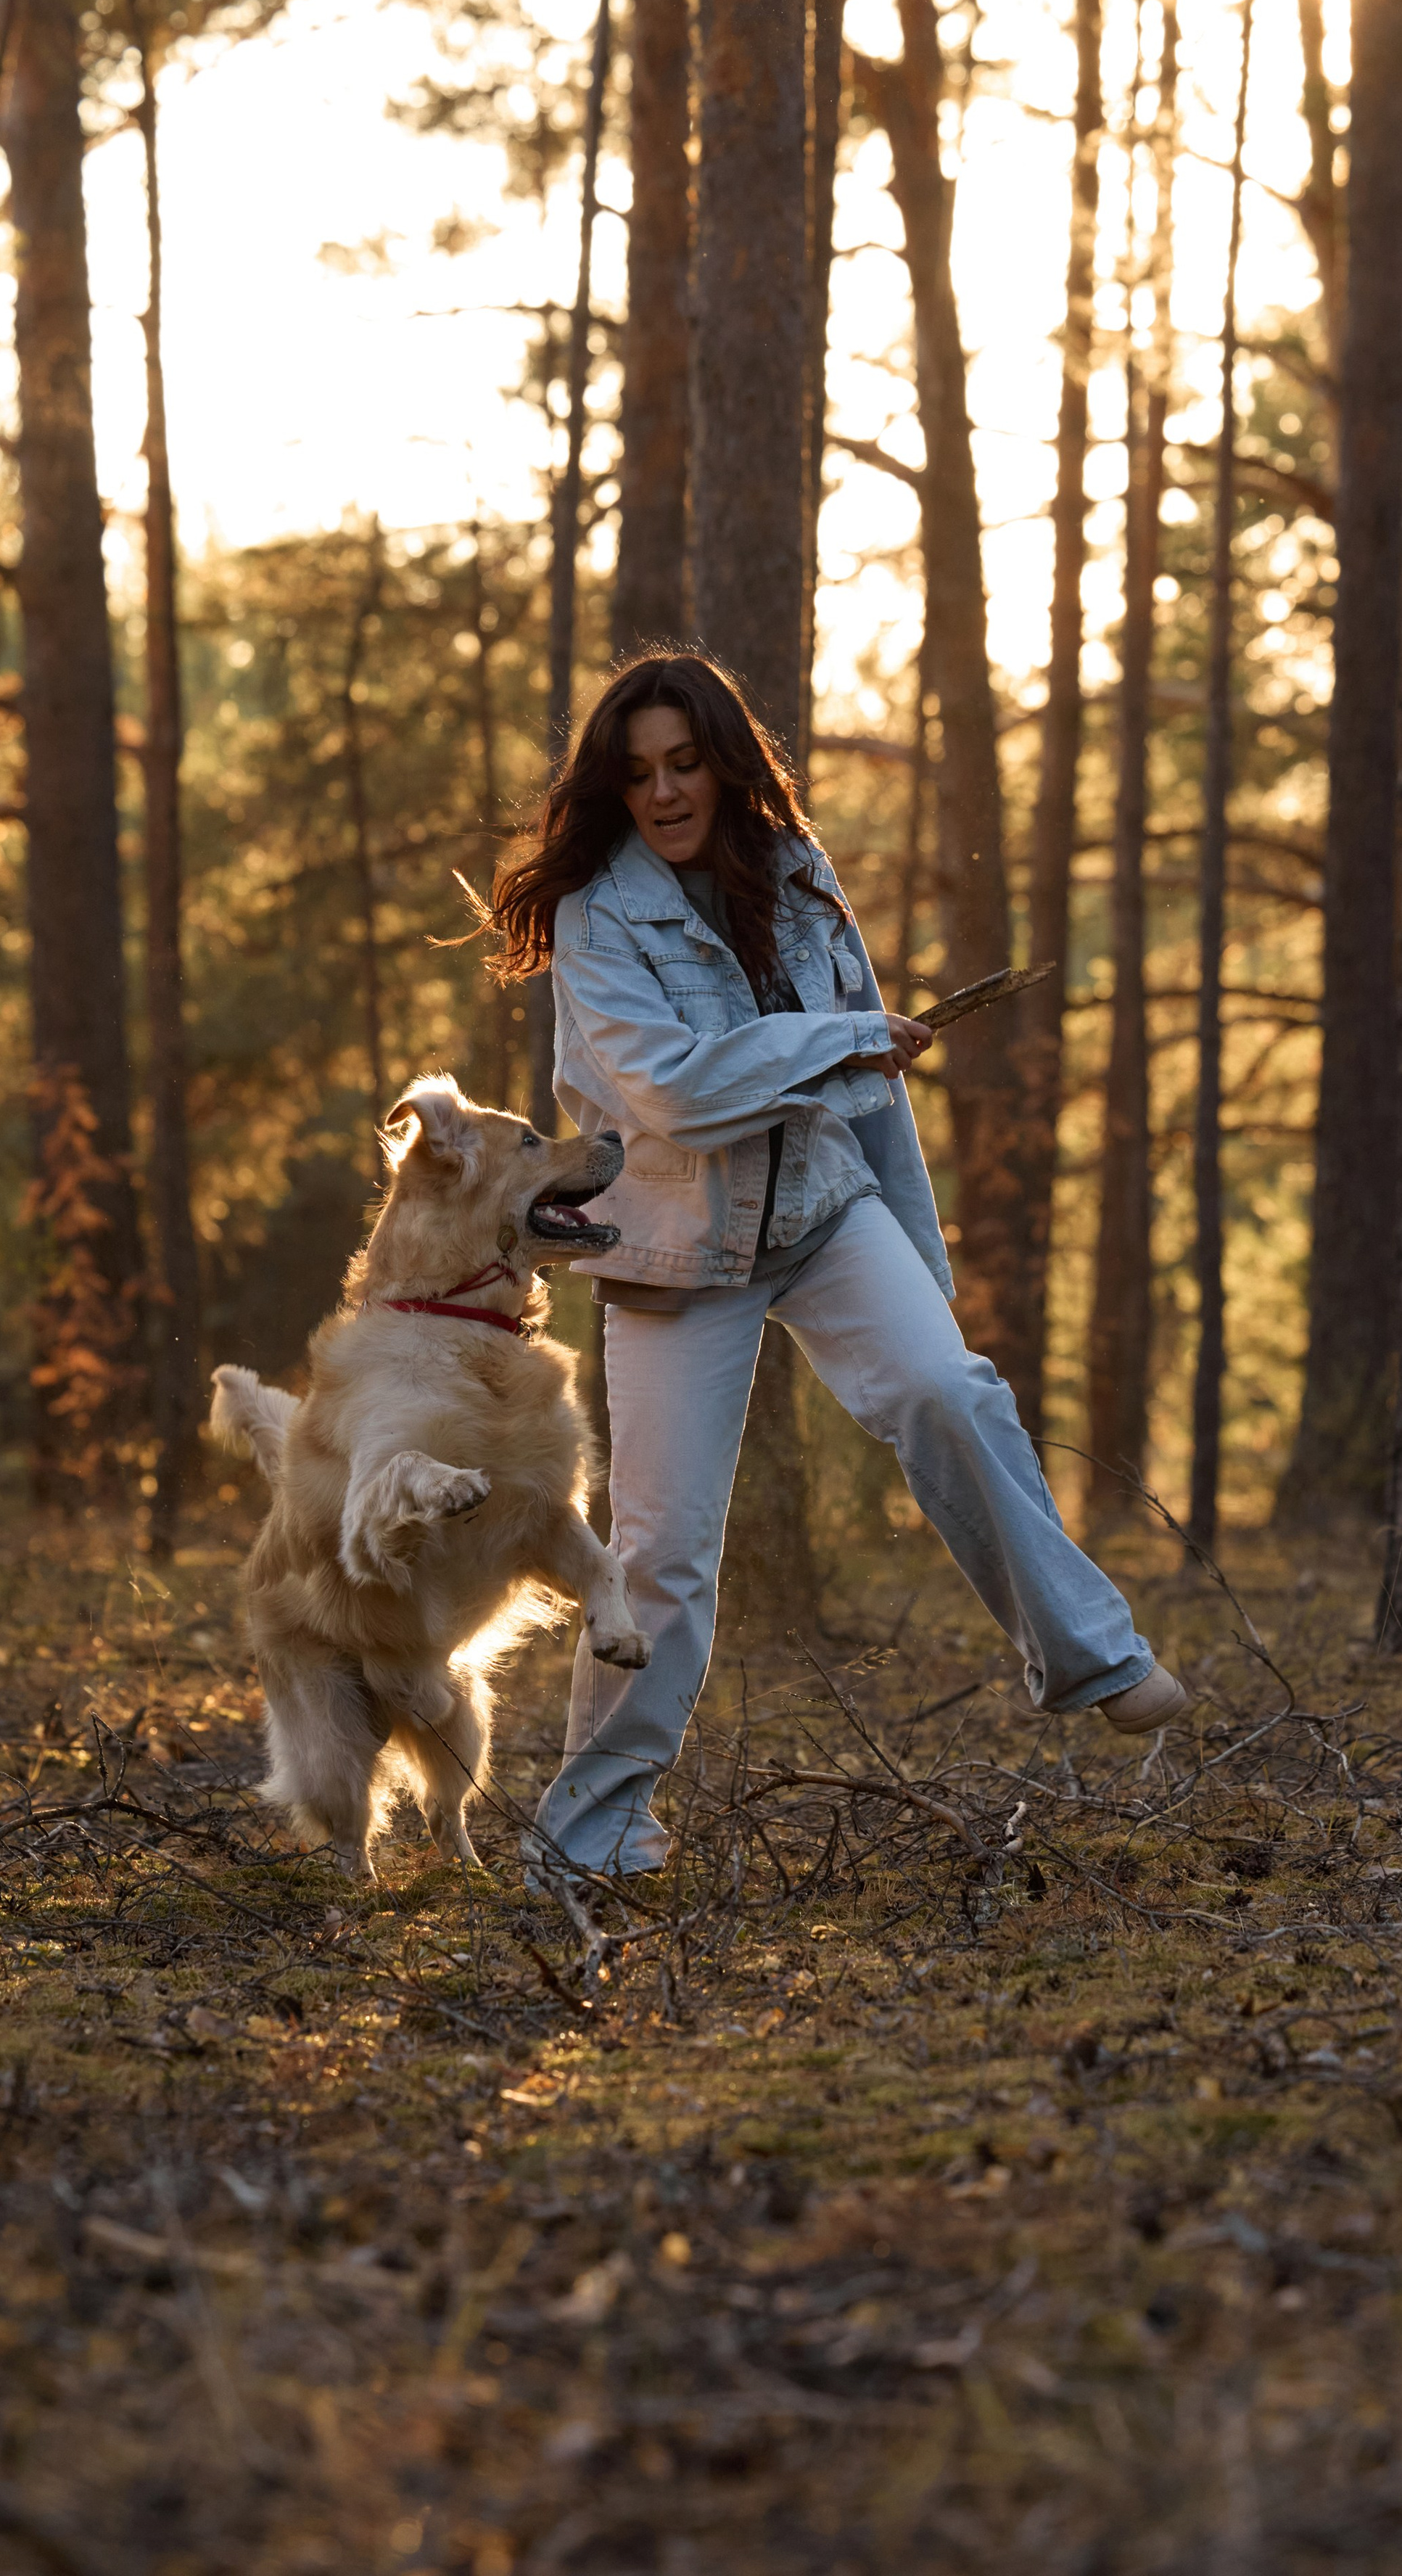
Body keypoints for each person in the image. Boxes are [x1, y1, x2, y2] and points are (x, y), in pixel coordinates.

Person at [491, 650, 1185, 1882]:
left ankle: (1089, 1656)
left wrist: (917, 1261)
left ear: (724, 763)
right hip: (675, 1247)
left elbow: (875, 1104)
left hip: (822, 1202)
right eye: (639, 773)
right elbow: (671, 1091)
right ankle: (591, 1834)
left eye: (684, 764)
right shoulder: (599, 915)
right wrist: (850, 1034)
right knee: (659, 1554)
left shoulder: (801, 875)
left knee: (947, 1387)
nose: (663, 793)